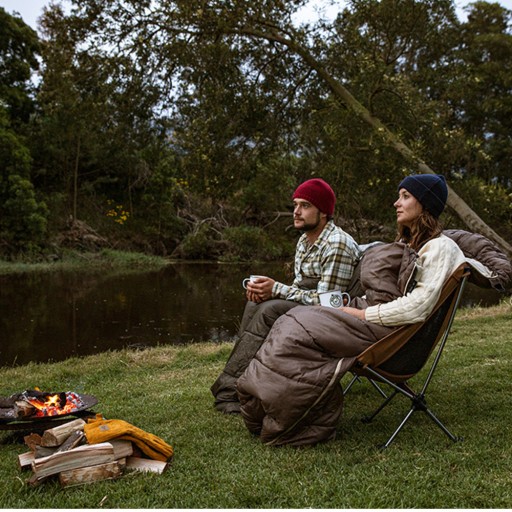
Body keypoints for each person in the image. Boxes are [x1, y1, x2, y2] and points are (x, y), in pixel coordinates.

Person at [237, 173, 485, 446]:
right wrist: (355, 306)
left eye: (405, 197)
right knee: (292, 319)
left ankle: (295, 422)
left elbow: (417, 307)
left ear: (425, 204)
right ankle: (264, 408)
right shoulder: (411, 243)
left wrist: (362, 314)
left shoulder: (440, 248)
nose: (396, 203)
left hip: (390, 338)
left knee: (296, 329)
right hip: (375, 322)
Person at [211, 178, 361, 413]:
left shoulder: (337, 244)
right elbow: (300, 286)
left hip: (330, 319)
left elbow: (329, 303)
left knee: (270, 311)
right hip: (311, 309)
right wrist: (265, 290)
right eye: (295, 205)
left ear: (323, 212)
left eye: (305, 206)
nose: (296, 212)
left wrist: (277, 289)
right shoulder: (305, 240)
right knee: (256, 303)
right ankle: (244, 384)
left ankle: (231, 391)